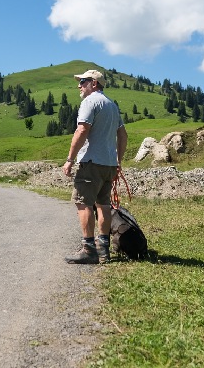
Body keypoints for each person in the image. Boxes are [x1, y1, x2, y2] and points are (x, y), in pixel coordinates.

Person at [62, 69, 128, 264]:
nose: (79, 86)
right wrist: (118, 162)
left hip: (90, 162)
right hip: (109, 164)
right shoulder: (112, 106)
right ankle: (103, 250)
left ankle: (88, 249)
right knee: (104, 205)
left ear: (94, 83)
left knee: (83, 203)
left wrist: (70, 159)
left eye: (83, 81)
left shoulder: (89, 102)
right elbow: (123, 136)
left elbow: (82, 130)